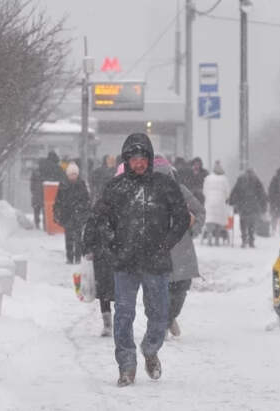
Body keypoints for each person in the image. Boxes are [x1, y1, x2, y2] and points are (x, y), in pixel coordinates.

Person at [94, 133, 190, 387]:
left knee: (159, 314)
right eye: (133, 159)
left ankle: (150, 349)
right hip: (124, 262)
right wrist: (113, 243)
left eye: (142, 158)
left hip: (156, 262)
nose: (138, 163)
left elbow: (181, 217)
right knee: (123, 315)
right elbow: (101, 220)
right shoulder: (115, 188)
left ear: (149, 158)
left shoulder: (165, 185)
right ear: (126, 160)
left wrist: (167, 243)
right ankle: (126, 366)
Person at [152, 154, 205, 338]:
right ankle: (164, 321)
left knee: (181, 289)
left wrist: (194, 229)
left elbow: (199, 211)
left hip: (182, 248)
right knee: (162, 291)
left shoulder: (181, 191)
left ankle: (169, 318)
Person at [82, 200, 116, 337]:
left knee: (120, 293)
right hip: (102, 259)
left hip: (118, 259)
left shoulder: (125, 211)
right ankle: (107, 323)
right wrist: (88, 250)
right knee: (105, 293)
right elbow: (88, 235)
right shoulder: (97, 214)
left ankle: (120, 323)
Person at [53, 162, 90, 264]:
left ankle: (78, 257)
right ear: (67, 175)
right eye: (71, 174)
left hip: (79, 214)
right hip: (67, 214)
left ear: (77, 174)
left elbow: (86, 200)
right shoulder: (63, 185)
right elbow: (58, 200)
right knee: (68, 237)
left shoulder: (81, 184)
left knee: (78, 237)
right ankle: (69, 257)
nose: (73, 176)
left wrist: (85, 212)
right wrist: (56, 211)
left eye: (74, 174)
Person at [229, 168, 267, 248]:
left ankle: (244, 240)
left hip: (243, 205)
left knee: (243, 222)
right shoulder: (256, 180)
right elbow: (261, 193)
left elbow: (235, 191)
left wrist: (231, 200)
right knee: (252, 223)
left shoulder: (241, 179)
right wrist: (263, 205)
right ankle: (251, 241)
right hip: (253, 205)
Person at [202, 161, 231, 246]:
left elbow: (204, 191)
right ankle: (217, 239)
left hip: (210, 202)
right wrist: (225, 198)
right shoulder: (224, 179)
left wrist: (208, 196)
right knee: (218, 221)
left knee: (210, 220)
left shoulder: (208, 178)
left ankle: (210, 235)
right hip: (220, 202)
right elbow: (227, 192)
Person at [29, 161, 44, 229]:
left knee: (36, 210)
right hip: (43, 194)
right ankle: (44, 224)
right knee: (44, 210)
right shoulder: (45, 172)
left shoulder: (34, 173)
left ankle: (37, 223)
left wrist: (33, 191)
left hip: (36, 194)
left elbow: (31, 185)